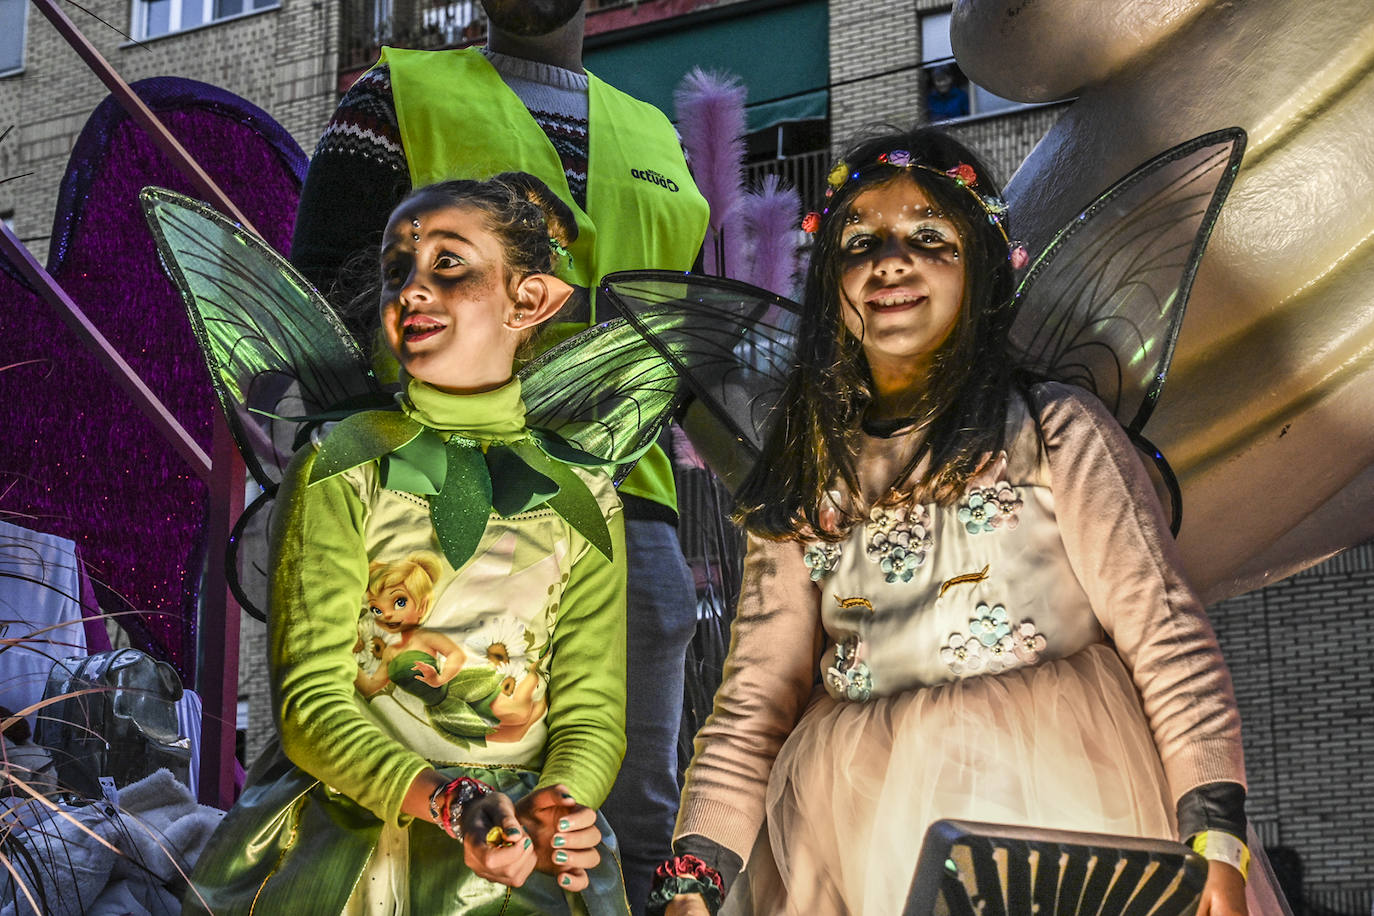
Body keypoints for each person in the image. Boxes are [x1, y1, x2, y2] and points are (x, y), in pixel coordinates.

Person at [650, 128, 1262, 916]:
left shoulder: (1054, 430)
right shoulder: (803, 478)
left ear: (982, 267)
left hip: (1064, 820)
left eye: (928, 237)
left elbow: (1165, 630)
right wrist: (696, 874)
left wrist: (1215, 835)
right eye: (859, 241)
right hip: (859, 840)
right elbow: (753, 701)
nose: (889, 261)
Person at [290, 4, 710, 909]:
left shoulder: (661, 140)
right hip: (436, 502)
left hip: (629, 509)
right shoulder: (390, 97)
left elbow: (694, 356)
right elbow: (324, 308)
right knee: (417, 820)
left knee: (630, 826)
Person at [185, 174, 630, 914]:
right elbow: (310, 700)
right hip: (352, 831)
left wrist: (564, 805)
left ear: (532, 300)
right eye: (398, 271)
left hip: (519, 855)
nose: (411, 291)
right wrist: (449, 802)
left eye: (449, 265)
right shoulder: (342, 464)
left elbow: (592, 708)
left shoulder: (586, 497)